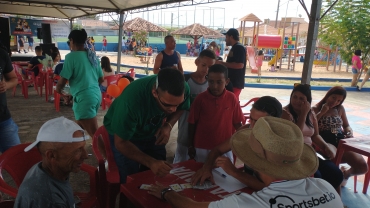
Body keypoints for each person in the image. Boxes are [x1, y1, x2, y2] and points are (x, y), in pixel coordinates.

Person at [147, 117, 343, 208]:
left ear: (255, 161)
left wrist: (166, 192)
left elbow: (190, 206)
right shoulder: (325, 187)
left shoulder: (252, 203)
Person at [103, 68, 190, 183]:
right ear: (154, 92)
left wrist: (168, 126)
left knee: (157, 176)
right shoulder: (131, 102)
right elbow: (121, 143)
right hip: (127, 137)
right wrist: (151, 162)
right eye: (167, 104)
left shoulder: (182, 88)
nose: (173, 109)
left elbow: (181, 108)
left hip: (151, 132)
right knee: (131, 180)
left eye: (177, 104)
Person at [191, 96, 282, 190]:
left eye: (259, 122)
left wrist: (234, 172)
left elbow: (267, 187)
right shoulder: (246, 131)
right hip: (246, 187)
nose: (253, 126)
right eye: (251, 119)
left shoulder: (276, 145)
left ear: (273, 123)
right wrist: (206, 168)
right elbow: (217, 149)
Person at [14, 117, 89, 207]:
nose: (86, 155)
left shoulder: (44, 169)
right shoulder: (51, 200)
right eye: (78, 150)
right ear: (51, 155)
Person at [281, 84, 343, 192]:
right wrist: (303, 114)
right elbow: (297, 136)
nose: (297, 101)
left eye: (301, 99)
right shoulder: (285, 113)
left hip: (310, 153)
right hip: (294, 155)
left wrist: (325, 146)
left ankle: (334, 201)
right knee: (317, 178)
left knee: (336, 174)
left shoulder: (311, 113)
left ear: (308, 101)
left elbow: (315, 135)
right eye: (294, 97)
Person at [312, 86, 368, 187]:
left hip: (341, 140)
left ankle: (346, 174)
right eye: (333, 98)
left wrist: (349, 131)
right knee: (333, 156)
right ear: (328, 95)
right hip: (325, 140)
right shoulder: (315, 109)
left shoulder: (340, 109)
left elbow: (346, 125)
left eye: (339, 100)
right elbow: (310, 126)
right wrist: (322, 113)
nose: (335, 102)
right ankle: (334, 180)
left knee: (363, 167)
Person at [187, 64, 244, 163]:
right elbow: (192, 123)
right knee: (202, 174)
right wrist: (190, 145)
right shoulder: (200, 99)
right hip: (202, 147)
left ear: (227, 82)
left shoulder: (232, 98)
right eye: (211, 82)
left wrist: (243, 142)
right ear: (207, 79)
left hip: (224, 147)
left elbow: (237, 123)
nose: (215, 86)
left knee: (225, 175)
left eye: (219, 82)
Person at [56, 29, 104, 139]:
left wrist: (60, 91)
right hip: (96, 96)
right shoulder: (93, 56)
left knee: (95, 135)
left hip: (84, 99)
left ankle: (107, 156)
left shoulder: (71, 57)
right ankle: (77, 149)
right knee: (78, 127)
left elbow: (62, 81)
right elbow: (101, 79)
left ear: (72, 40)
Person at [173, 49, 217, 163]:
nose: (206, 69)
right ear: (197, 62)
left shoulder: (211, 84)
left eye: (210, 67)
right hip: (185, 126)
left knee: (198, 159)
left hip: (202, 128)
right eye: (203, 65)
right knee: (181, 157)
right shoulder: (185, 80)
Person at [0, 43, 21, 153]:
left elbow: (14, 78)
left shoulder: (2, 54)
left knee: (16, 158)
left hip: (3, 119)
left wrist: (6, 85)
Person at [216, 28, 246, 100]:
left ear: (231, 37)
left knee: (231, 103)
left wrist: (222, 63)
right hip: (232, 82)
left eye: (226, 37)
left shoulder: (239, 48)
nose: (225, 39)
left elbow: (240, 65)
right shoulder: (235, 47)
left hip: (235, 83)